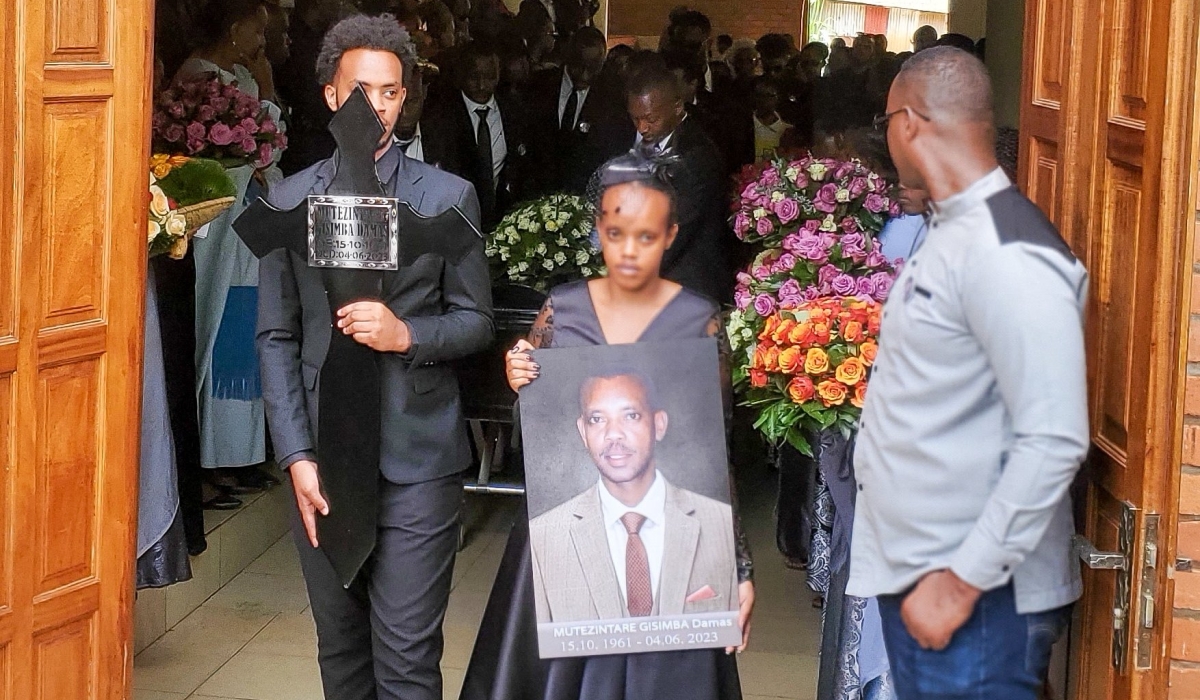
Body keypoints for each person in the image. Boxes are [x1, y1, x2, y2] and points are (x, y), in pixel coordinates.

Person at [256, 15, 493, 700]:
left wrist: (407, 335)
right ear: (331, 96)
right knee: (342, 655)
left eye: (390, 92)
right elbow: (276, 338)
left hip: (418, 458)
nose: (377, 107)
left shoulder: (448, 198)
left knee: (407, 660)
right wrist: (296, 457)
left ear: (405, 97)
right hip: (324, 460)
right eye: (361, 90)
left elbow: (476, 322)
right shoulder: (290, 200)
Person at [459, 152, 753, 700]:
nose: (630, 250)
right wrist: (517, 371)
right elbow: (542, 413)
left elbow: (715, 448)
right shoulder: (563, 309)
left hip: (670, 543)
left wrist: (737, 565)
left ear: (670, 234)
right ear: (599, 229)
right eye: (617, 232)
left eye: (646, 234)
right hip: (566, 538)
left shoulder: (700, 319)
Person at [849, 47, 1089, 699]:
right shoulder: (957, 231)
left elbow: (1055, 437)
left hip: (979, 603)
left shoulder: (1008, 252)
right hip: (934, 582)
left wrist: (960, 584)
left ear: (908, 124)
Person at [175, 0, 285, 503]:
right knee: (218, 333)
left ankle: (240, 454)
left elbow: (273, 141)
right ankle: (209, 460)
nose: (264, 38)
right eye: (258, 28)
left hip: (250, 226)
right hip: (219, 227)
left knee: (246, 328)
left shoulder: (244, 72)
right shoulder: (198, 73)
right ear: (234, 24)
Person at [530, 368, 740, 623]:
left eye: (630, 416)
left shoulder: (716, 520)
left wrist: (745, 574)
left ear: (658, 424)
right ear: (583, 431)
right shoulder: (546, 534)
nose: (613, 434)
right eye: (597, 419)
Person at [626, 66, 731, 302]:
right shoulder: (659, 140)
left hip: (687, 288)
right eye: (635, 118)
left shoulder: (694, 158)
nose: (642, 128)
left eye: (651, 119)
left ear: (677, 107)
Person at [425, 40, 529, 228]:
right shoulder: (443, 116)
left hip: (503, 220)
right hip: (457, 220)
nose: (482, 85)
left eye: (489, 77)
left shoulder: (513, 111)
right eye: (474, 77)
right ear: (461, 76)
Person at [527, 26, 622, 195]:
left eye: (593, 68)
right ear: (567, 56)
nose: (584, 76)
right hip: (536, 195)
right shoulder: (538, 87)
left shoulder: (611, 98)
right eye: (579, 66)